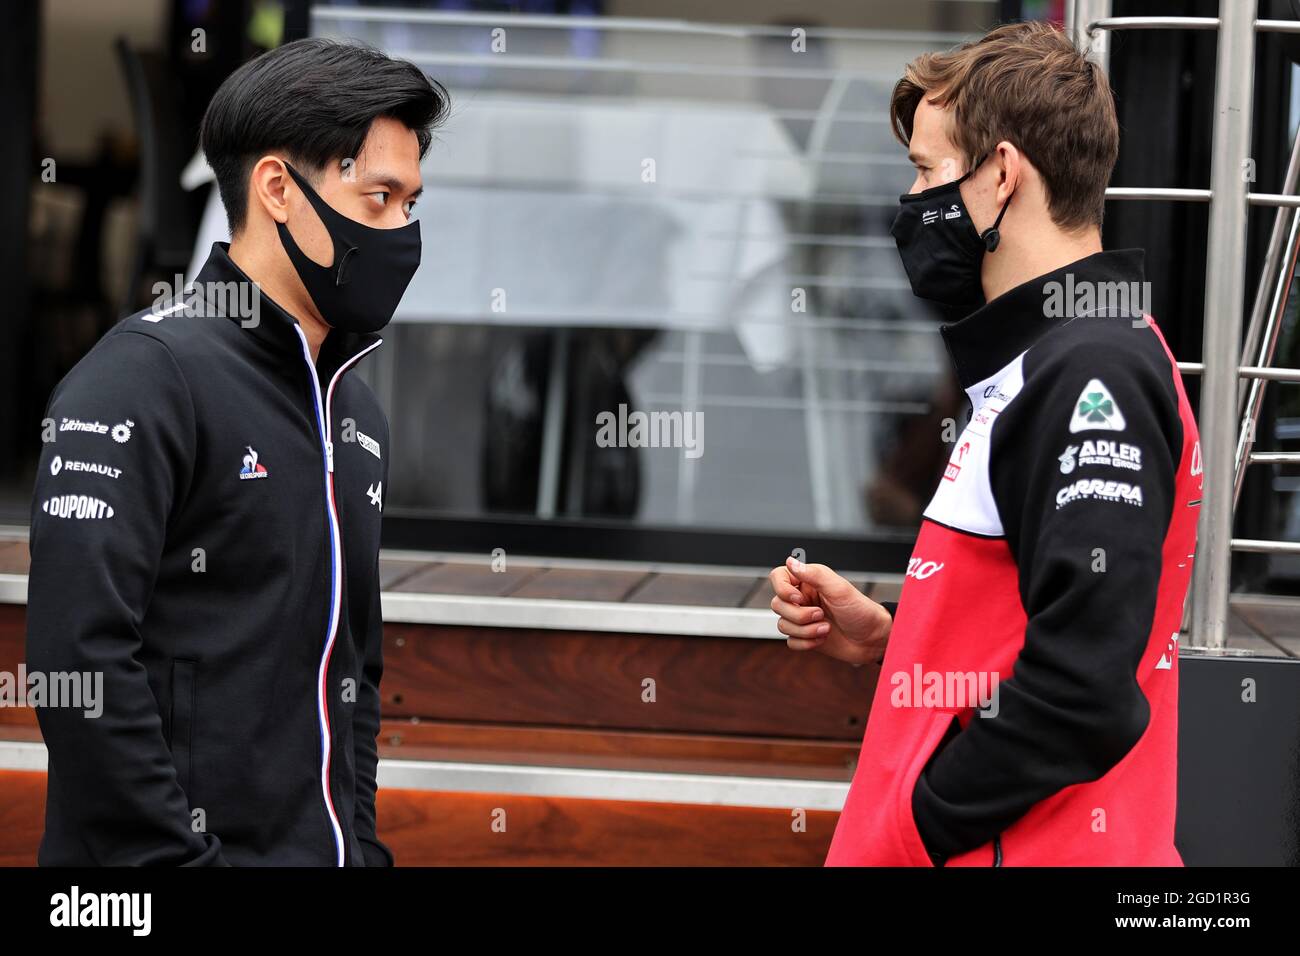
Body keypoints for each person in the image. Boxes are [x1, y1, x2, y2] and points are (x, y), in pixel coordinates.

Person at [768, 21, 1201, 866]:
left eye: (928, 172)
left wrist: (913, 826)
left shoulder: (1088, 372)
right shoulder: (1054, 356)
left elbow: (1084, 692)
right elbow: (1040, 624)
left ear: (1001, 175)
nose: (912, 204)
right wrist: (901, 641)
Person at [26, 38, 448, 865]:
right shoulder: (144, 378)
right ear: (278, 190)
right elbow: (79, 667)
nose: (404, 229)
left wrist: (359, 851)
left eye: (412, 201)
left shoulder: (352, 409)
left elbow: (352, 675)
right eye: (380, 196)